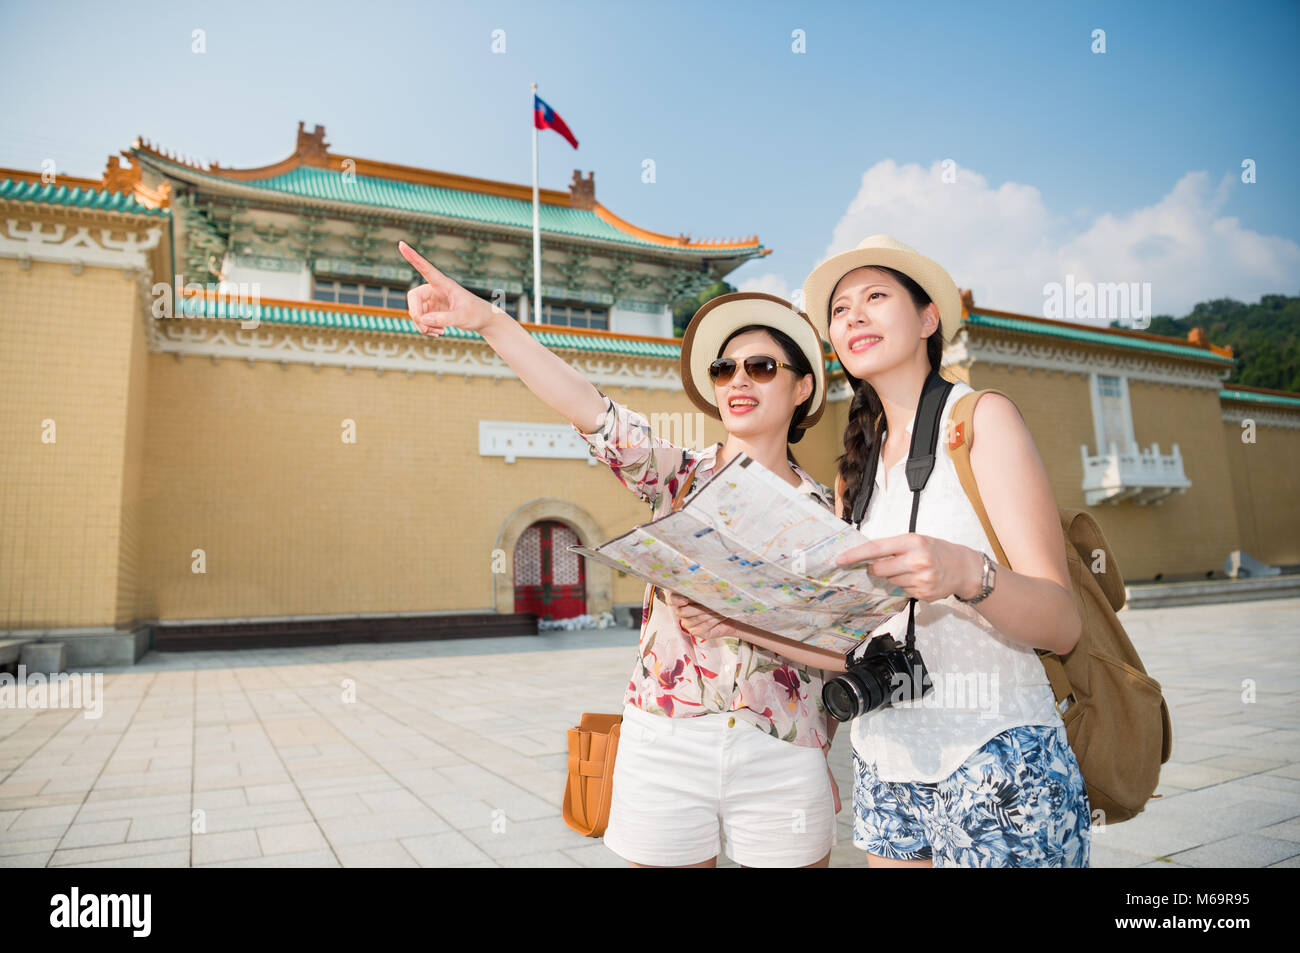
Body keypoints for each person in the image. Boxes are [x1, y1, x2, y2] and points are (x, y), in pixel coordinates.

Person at [397, 241, 845, 867]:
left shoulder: (830, 517)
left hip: (785, 748)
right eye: (724, 369)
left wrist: (747, 624)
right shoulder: (675, 477)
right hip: (666, 738)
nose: (738, 381)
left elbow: (843, 647)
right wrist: (491, 321)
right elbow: (589, 408)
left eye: (762, 368)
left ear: (802, 389)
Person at [795, 234, 1092, 868]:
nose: (854, 316)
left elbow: (1063, 624)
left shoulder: (982, 420)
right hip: (883, 760)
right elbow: (847, 627)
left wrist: (966, 572)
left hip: (998, 754)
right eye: (840, 310)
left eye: (876, 297)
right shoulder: (856, 466)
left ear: (929, 318)